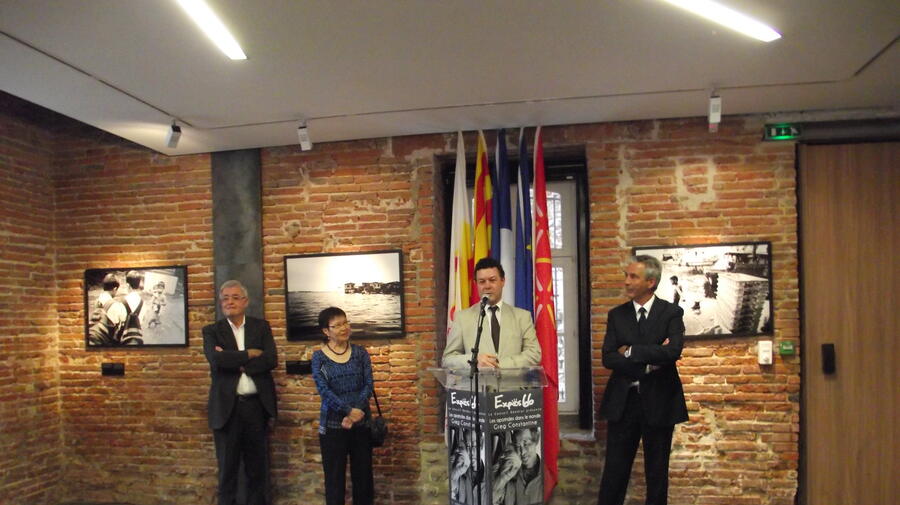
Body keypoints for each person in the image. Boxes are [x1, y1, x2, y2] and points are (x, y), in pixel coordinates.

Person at [597, 256, 688, 505]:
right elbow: (608, 357)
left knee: (657, 472)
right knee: (614, 472)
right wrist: (650, 363)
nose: (626, 281)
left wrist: (630, 351)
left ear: (651, 282)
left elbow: (673, 351)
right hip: (623, 403)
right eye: (626, 276)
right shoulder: (617, 315)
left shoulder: (671, 312)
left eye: (633, 276)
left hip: (660, 401)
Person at [203, 280, 278, 505]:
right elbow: (216, 360)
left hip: (256, 407)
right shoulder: (212, 331)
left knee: (257, 469)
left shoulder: (261, 327)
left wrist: (234, 360)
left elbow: (271, 359)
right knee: (227, 470)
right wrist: (249, 354)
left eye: (235, 297)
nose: (230, 302)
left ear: (245, 301)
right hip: (228, 409)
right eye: (225, 298)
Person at [311, 307, 375, 505]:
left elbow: (368, 385)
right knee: (334, 480)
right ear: (326, 331)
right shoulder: (319, 357)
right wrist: (347, 411)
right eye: (337, 325)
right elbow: (324, 390)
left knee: (364, 479)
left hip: (361, 424)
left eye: (345, 322)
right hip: (333, 426)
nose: (344, 328)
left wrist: (356, 412)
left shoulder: (360, 353)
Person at [442, 257, 541, 369]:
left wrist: (500, 365)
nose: (487, 286)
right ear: (476, 284)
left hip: (511, 380)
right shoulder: (462, 318)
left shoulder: (522, 317)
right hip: (478, 380)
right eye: (482, 282)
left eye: (492, 280)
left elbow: (534, 354)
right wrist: (474, 360)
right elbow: (448, 359)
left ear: (503, 281)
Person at [492, 427, 542, 505]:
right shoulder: (510, 470)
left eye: (526, 444)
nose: (522, 452)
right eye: (518, 446)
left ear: (536, 440)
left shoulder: (548, 476)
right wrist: (503, 479)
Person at [449, 427, 479, 504]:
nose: (471, 452)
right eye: (468, 446)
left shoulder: (489, 474)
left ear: (481, 445)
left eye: (474, 446)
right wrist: (454, 475)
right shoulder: (460, 471)